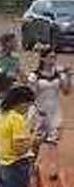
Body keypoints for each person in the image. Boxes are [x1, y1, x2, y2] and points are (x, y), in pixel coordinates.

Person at [27, 47, 72, 179]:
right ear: (43, 59)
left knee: (53, 142)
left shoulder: (59, 74)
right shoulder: (34, 76)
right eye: (50, 57)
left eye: (54, 57)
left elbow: (66, 91)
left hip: (54, 111)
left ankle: (53, 169)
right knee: (36, 142)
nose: (53, 60)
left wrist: (68, 77)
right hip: (39, 112)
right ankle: (31, 167)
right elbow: (31, 95)